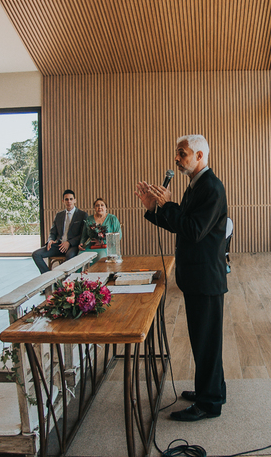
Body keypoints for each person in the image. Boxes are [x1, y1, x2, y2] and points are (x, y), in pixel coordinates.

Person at [137, 134, 229, 421]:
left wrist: (167, 205)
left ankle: (209, 403)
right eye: (177, 153)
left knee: (206, 342)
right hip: (196, 277)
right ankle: (213, 389)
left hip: (206, 279)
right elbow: (181, 224)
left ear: (200, 156)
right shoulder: (195, 186)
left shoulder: (211, 187)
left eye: (182, 153)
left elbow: (193, 230)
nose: (176, 159)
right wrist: (154, 208)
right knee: (203, 340)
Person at [32, 189, 87, 274]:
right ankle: (50, 279)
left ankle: (66, 283)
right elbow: (52, 232)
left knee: (69, 256)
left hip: (72, 246)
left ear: (75, 200)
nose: (69, 201)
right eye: (66, 199)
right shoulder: (59, 215)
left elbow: (83, 234)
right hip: (59, 245)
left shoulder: (82, 215)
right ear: (63, 201)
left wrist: (69, 242)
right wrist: (50, 240)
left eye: (71, 199)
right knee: (36, 254)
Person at [77, 197, 121, 262]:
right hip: (90, 246)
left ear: (106, 208)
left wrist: (103, 242)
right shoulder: (89, 219)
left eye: (102, 205)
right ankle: (84, 272)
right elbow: (84, 235)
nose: (99, 207)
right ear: (94, 208)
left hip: (106, 247)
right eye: (97, 205)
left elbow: (118, 236)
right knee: (80, 258)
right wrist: (81, 243)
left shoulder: (112, 219)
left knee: (100, 257)